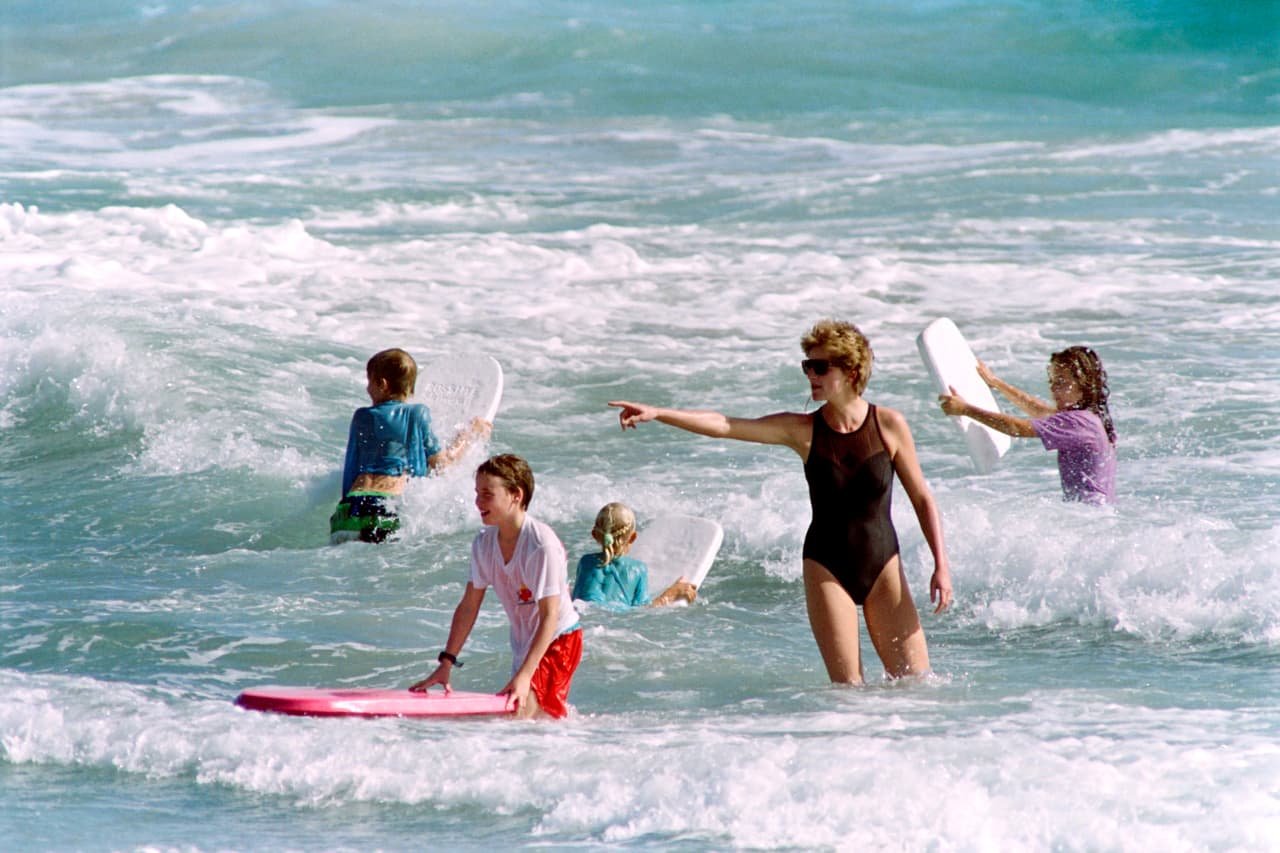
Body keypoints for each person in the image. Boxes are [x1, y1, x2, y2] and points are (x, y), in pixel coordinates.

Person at [609, 319, 952, 685]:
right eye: (808, 365)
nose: (811, 375)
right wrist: (660, 413)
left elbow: (922, 498)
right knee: (848, 692)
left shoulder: (889, 424)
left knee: (917, 685)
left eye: (821, 367)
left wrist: (940, 566)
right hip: (827, 566)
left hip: (884, 564)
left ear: (852, 371)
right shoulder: (802, 430)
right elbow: (726, 424)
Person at [410, 454, 583, 720]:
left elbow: (549, 616)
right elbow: (469, 605)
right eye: (476, 493)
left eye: (487, 494)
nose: (477, 502)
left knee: (518, 713)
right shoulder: (483, 543)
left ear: (516, 495)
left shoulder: (541, 545)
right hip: (526, 640)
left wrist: (525, 675)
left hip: (559, 638)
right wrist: (446, 663)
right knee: (533, 719)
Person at [330, 347, 489, 544]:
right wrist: (470, 434)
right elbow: (442, 464)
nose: (367, 388)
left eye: (368, 382)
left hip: (350, 510)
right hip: (385, 507)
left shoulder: (361, 416)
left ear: (382, 384)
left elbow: (351, 465)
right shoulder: (417, 413)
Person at [938, 346, 1117, 505]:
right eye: (1052, 382)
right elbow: (1039, 411)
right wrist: (996, 383)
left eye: (1062, 383)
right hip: (1094, 514)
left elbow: (1017, 428)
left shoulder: (1079, 422)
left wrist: (966, 410)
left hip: (1087, 514)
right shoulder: (1090, 419)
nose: (1054, 389)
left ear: (1085, 386)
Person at [572, 502, 699, 609]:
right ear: (633, 537)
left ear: (594, 535)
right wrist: (672, 593)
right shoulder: (637, 569)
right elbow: (645, 611)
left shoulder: (585, 562)